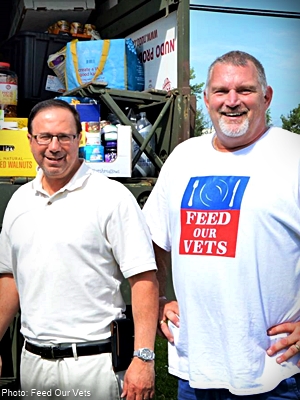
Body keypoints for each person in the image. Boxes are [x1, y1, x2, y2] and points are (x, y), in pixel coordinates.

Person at [142, 50, 300, 399]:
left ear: (267, 96)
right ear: (206, 99)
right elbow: (153, 238)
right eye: (220, 91)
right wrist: (163, 297)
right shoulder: (184, 158)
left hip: (275, 372)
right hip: (195, 369)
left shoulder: (293, 155)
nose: (232, 101)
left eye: (244, 90)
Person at [0, 99, 159, 400]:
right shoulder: (19, 202)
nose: (54, 147)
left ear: (80, 139)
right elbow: (9, 278)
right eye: (44, 137)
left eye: (64, 137)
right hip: (33, 363)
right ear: (30, 140)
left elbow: (144, 280)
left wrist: (144, 357)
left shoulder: (112, 198)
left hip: (92, 364)